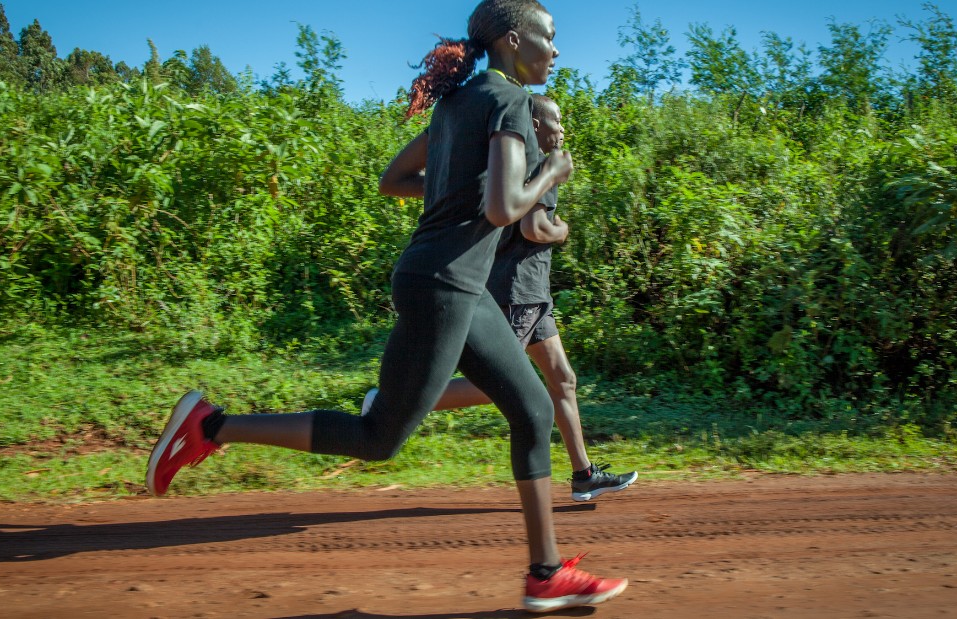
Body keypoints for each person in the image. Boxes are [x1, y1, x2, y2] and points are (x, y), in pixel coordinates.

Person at [145, 0, 627, 612]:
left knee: (533, 408)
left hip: (455, 283)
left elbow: (393, 178)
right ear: (512, 39)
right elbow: (508, 210)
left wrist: (460, 189)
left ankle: (545, 574)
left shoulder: (458, 104)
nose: (556, 50)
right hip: (444, 285)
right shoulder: (507, 102)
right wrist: (552, 172)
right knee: (379, 439)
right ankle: (211, 426)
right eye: (549, 37)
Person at [361, 94, 637, 503]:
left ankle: (583, 475)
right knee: (499, 385)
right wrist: (562, 231)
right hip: (515, 290)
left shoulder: (511, 166)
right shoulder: (541, 166)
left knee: (562, 378)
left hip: (531, 292)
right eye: (556, 122)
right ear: (536, 125)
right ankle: (391, 403)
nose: (562, 130)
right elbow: (533, 228)